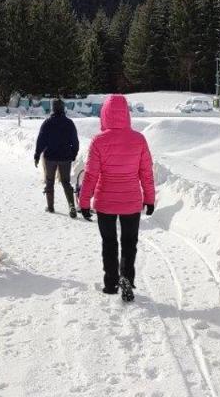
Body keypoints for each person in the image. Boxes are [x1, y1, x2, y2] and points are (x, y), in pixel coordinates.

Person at [78, 94, 155, 300]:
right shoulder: (139, 139)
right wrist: (149, 198)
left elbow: (91, 175)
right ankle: (127, 278)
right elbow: (146, 172)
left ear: (104, 115)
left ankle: (111, 283)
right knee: (130, 242)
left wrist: (84, 202)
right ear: (126, 114)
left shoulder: (98, 141)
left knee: (109, 242)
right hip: (131, 201)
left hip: (105, 202)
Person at [33, 97, 80, 216]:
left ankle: (50, 207)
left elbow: (41, 141)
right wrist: (73, 154)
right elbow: (75, 141)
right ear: (63, 108)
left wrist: (37, 155)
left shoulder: (47, 122)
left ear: (53, 108)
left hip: (50, 158)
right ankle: (71, 206)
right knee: (66, 182)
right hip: (65, 157)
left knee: (49, 182)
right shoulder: (69, 123)